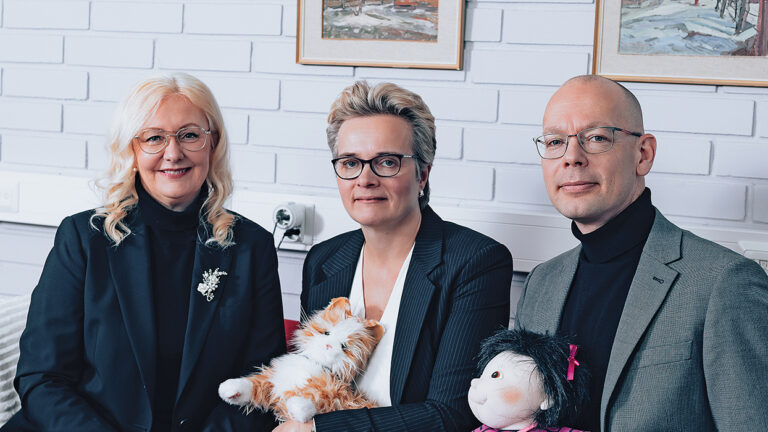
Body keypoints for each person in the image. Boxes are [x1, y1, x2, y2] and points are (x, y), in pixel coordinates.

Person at [2, 73, 286, 432]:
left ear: (212, 144)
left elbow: (262, 381)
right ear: (132, 151)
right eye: (154, 138)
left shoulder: (250, 246)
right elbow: (41, 377)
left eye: (190, 135)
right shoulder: (83, 239)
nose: (173, 153)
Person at [515, 74, 768, 431]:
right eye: (555, 141)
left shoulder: (724, 284)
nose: (572, 157)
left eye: (597, 138)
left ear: (643, 154)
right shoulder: (543, 282)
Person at [278, 81, 514, 432]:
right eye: (350, 162)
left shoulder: (475, 262)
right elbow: (305, 380)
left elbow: (451, 415)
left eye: (387, 162)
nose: (365, 179)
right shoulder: (324, 261)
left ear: (423, 173)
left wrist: (320, 430)